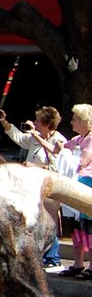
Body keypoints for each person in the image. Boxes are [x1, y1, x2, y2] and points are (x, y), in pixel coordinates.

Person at [0, 105, 67, 268]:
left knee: (50, 222)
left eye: (37, 120)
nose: (34, 122)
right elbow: (20, 138)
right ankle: (39, 257)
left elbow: (58, 168)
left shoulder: (59, 140)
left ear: (46, 123)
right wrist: (5, 123)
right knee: (34, 223)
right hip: (32, 188)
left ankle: (53, 259)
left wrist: (35, 167)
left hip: (50, 190)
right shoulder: (35, 138)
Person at [57, 104, 92, 278]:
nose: (71, 122)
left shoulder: (91, 139)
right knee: (76, 226)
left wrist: (65, 154)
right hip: (76, 182)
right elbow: (60, 149)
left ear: (85, 121)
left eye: (75, 119)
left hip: (87, 183)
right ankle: (78, 264)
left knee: (89, 226)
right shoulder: (78, 139)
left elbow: (82, 162)